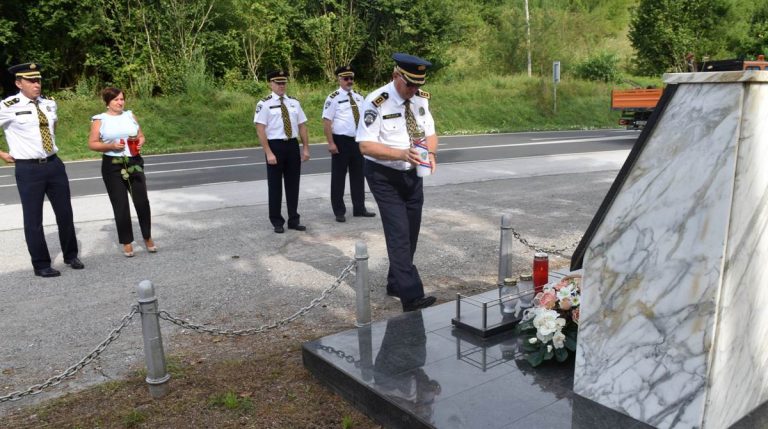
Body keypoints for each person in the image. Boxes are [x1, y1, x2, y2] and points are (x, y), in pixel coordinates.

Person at [356, 53, 438, 312]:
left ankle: (395, 282)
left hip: (414, 174)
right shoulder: (376, 101)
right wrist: (401, 153)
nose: (414, 90)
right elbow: (365, 145)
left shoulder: (419, 100)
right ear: (395, 76)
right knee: (399, 233)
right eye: (410, 84)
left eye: (418, 85)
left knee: (411, 231)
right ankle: (412, 296)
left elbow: (430, 133)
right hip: (384, 175)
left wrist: (432, 154)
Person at [0, 63, 84, 277]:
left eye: (38, 80)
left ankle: (71, 255)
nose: (37, 84)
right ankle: (41, 264)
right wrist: (1, 153)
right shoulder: (8, 106)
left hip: (54, 164)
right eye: (31, 81)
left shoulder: (49, 103)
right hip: (28, 168)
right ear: (19, 83)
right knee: (33, 219)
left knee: (65, 213)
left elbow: (51, 128)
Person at [87, 87, 155, 257]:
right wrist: (110, 146)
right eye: (116, 100)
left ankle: (147, 237)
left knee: (142, 201)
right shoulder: (99, 119)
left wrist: (140, 143)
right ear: (108, 102)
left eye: (122, 99)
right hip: (113, 164)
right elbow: (93, 143)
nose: (120, 102)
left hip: (134, 161)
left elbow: (141, 135)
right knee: (121, 204)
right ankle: (127, 241)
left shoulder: (130, 115)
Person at [254, 70, 310, 233]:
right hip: (275, 146)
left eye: (283, 82)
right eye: (278, 83)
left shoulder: (294, 102)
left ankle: (294, 219)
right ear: (270, 84)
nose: (281, 86)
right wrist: (268, 152)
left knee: (293, 185)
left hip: (292, 145)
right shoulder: (264, 104)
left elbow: (302, 126)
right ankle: (277, 221)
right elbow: (260, 129)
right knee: (275, 186)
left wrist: (305, 147)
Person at [322, 65, 375, 222]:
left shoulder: (359, 96)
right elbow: (327, 121)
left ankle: (359, 208)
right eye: (346, 78)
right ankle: (339, 211)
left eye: (351, 78)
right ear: (339, 79)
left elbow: (366, 117)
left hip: (357, 141)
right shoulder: (333, 98)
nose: (349, 81)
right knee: (339, 177)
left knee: (358, 176)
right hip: (341, 141)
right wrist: (331, 142)